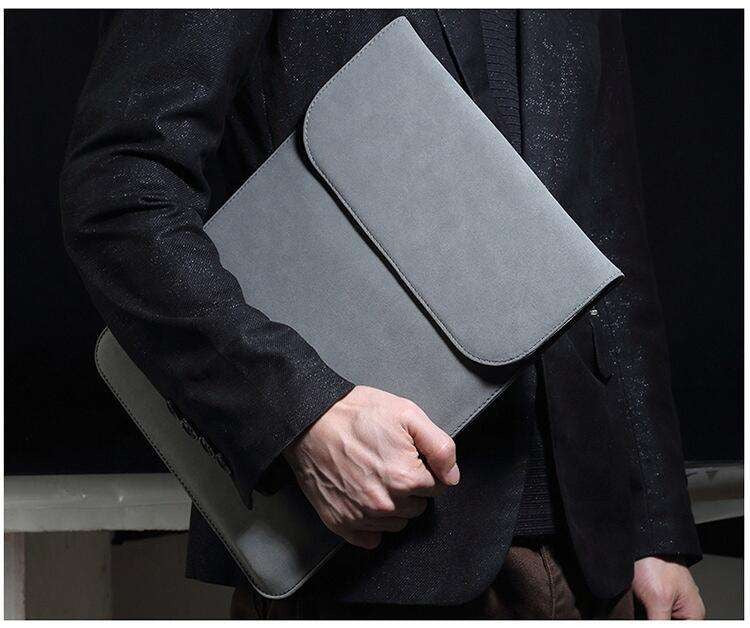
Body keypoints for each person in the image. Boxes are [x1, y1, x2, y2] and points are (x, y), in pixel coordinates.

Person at [60, 9, 705, 620]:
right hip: (361, 550)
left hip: (602, 564)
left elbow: (606, 227)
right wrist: (300, 413)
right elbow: (120, 188)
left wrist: (657, 526)